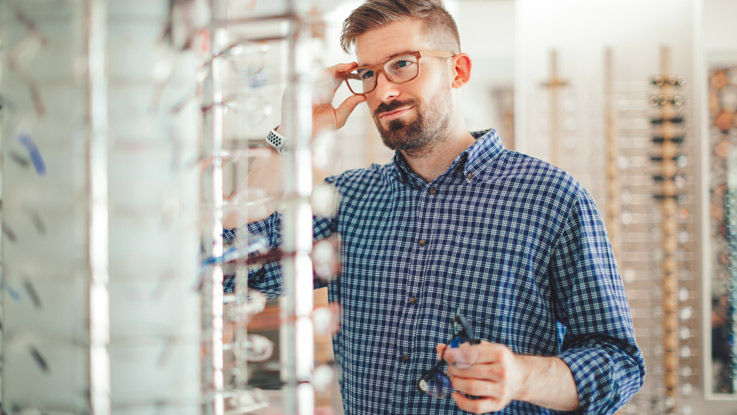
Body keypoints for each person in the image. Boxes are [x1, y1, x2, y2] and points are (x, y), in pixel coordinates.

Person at [231, 0, 645, 413]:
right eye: (368, 74)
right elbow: (230, 269)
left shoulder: (552, 197)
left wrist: (521, 376)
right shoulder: (347, 200)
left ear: (458, 71)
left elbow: (618, 364)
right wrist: (289, 136)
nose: (384, 91)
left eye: (402, 64)